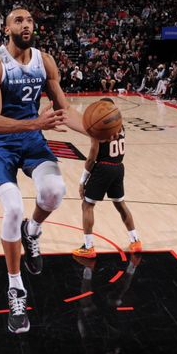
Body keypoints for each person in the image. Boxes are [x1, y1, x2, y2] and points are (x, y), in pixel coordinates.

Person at [0, 6, 86, 334]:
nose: (25, 25)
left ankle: (33, 230)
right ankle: (16, 289)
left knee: (55, 191)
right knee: (12, 207)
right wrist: (37, 121)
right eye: (18, 21)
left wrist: (98, 133)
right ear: (6, 28)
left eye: (29, 20)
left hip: (31, 141)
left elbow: (64, 110)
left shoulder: (45, 61)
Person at [72, 99, 141, 258]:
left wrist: (82, 180)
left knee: (87, 205)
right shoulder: (120, 126)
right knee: (120, 204)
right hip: (118, 167)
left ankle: (88, 247)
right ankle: (135, 240)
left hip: (103, 167)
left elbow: (91, 157)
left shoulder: (100, 127)